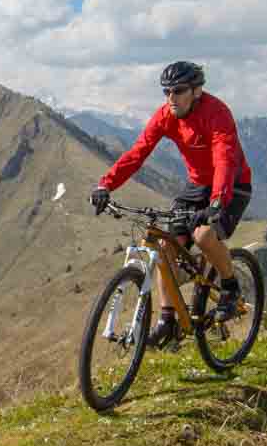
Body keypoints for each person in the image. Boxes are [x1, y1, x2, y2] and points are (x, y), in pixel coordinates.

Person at [90, 60, 253, 347]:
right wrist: (106, 184)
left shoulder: (216, 113)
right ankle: (167, 320)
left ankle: (230, 287)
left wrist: (216, 201)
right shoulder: (166, 115)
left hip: (232, 185)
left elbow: (224, 158)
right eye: (166, 92)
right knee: (164, 249)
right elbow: (138, 153)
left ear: (196, 91)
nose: (171, 98)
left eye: (178, 91)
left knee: (203, 235)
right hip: (196, 187)